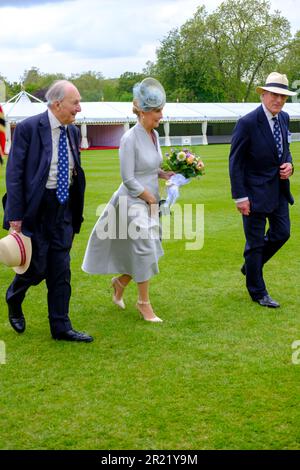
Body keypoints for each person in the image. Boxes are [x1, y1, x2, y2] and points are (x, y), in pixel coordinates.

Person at [3, 80, 93, 342]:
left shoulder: (72, 132)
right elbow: (15, 173)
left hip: (63, 208)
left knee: (61, 269)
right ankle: (14, 296)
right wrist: (15, 215)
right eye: (75, 102)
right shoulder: (30, 128)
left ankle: (61, 327)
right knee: (36, 267)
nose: (79, 108)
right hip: (36, 209)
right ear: (57, 103)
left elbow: (74, 170)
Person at [82, 78, 174, 322]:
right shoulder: (129, 139)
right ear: (142, 112)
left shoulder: (154, 135)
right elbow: (129, 179)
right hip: (132, 201)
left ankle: (120, 282)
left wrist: (165, 173)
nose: (160, 115)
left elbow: (151, 167)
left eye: (161, 110)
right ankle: (144, 303)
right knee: (145, 246)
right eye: (156, 111)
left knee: (149, 248)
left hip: (151, 199)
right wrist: (150, 199)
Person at [229, 72, 296, 308]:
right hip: (253, 194)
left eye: (283, 97)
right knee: (255, 244)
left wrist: (290, 165)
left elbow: (284, 149)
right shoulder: (247, 123)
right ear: (264, 94)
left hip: (278, 191)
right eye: (274, 95)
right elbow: (235, 162)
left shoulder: (284, 118)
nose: (278, 100)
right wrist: (240, 197)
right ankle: (258, 292)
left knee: (282, 233)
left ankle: (250, 267)